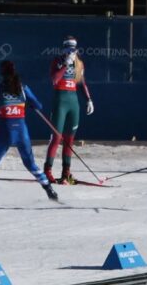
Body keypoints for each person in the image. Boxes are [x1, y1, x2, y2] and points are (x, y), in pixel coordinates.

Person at [0, 61, 58, 205]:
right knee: (31, 165)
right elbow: (39, 105)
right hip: (21, 132)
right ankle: (50, 191)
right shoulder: (23, 88)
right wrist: (31, 104)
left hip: (4, 132)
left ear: (1, 73)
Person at [44, 36, 94, 185]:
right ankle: (47, 171)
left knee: (70, 139)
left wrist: (88, 99)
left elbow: (81, 82)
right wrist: (65, 64)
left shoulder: (79, 63)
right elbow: (54, 79)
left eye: (73, 49)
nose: (71, 52)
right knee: (57, 137)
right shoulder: (57, 61)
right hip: (60, 101)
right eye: (68, 48)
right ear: (64, 48)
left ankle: (66, 173)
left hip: (73, 102)